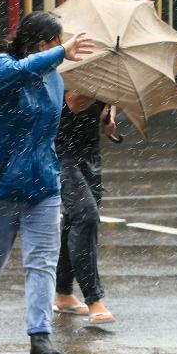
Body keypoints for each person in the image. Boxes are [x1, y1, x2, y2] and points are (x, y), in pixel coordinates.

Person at [0, 11, 93, 354]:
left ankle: (40, 339)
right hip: (0, 187)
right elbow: (16, 74)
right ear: (41, 44)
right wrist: (61, 53)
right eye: (56, 42)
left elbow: (61, 113)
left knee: (42, 263)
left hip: (44, 186)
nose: (61, 48)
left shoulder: (53, 77)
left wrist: (95, 104)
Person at [53, 93, 119, 325]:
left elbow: (105, 108)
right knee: (86, 217)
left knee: (74, 220)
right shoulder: (73, 62)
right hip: (60, 151)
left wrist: (108, 116)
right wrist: (100, 88)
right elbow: (73, 102)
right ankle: (94, 300)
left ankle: (63, 294)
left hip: (89, 151)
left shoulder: (108, 70)